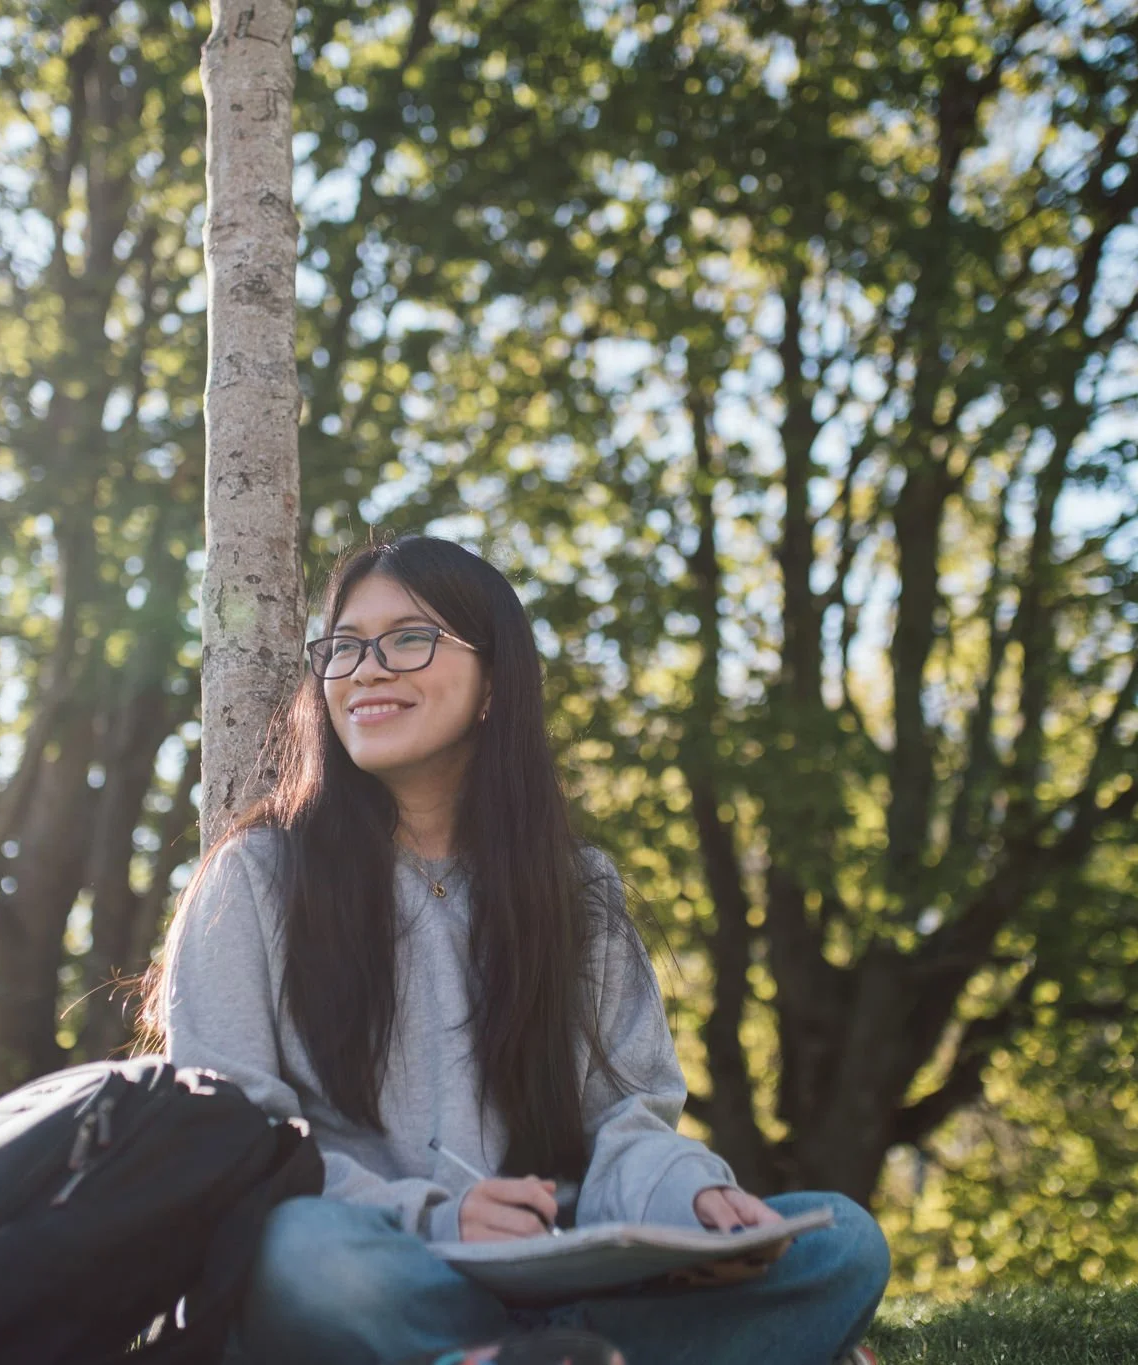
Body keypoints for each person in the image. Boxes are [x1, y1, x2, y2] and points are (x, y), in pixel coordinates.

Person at [149, 536, 889, 1365]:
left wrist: (697, 1193)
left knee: (844, 1242)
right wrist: (436, 1216)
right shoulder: (253, 878)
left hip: (560, 1270)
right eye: (346, 647)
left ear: (495, 683)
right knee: (304, 1259)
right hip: (378, 1264)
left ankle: (509, 1356)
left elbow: (625, 1117)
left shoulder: (578, 893)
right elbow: (234, 1137)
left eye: (407, 638)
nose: (366, 669)